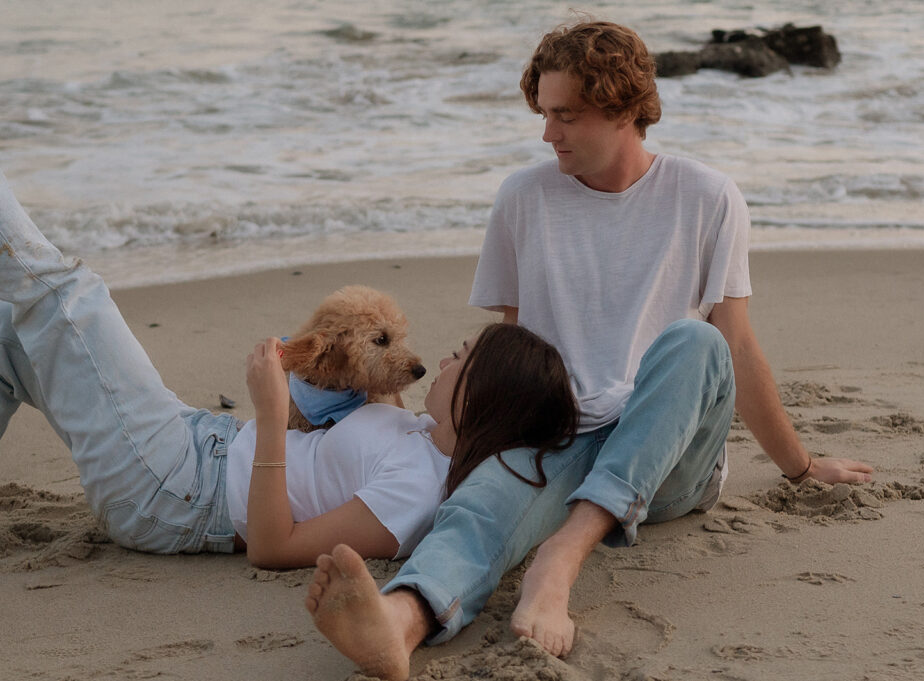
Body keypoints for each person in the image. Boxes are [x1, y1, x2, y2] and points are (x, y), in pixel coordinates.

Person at [303, 19, 877, 680]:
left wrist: (802, 467)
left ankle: (562, 557)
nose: (548, 134)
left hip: (668, 457)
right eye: (545, 114)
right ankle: (398, 624)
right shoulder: (524, 197)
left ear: (626, 109)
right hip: (561, 434)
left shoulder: (707, 197)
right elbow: (517, 359)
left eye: (566, 116)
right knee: (479, 508)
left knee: (695, 340)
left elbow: (735, 348)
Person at [0, 170, 579, 568]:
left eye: (462, 358)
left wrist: (272, 411)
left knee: (67, 296)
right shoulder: (425, 440)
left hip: (177, 493)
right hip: (198, 446)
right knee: (8, 337)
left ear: (479, 400)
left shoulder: (418, 492)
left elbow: (274, 547)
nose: (444, 361)